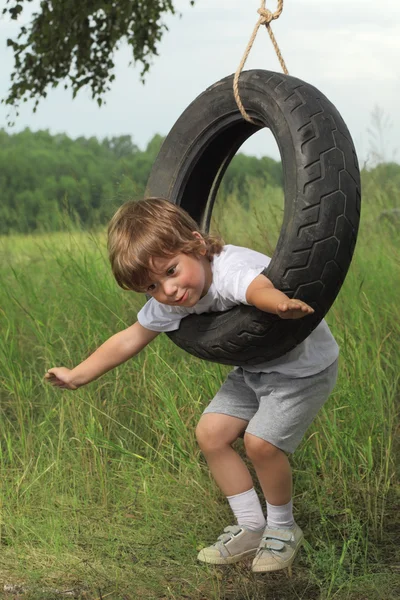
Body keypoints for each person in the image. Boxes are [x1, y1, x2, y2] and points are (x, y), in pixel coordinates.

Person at [45, 197, 338, 573]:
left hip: (300, 369)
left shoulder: (231, 268)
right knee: (210, 433)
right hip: (253, 370)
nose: (167, 290)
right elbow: (129, 338)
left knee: (260, 444)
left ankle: (283, 529)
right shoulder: (171, 298)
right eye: (151, 286)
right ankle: (251, 526)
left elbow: (256, 289)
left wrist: (279, 304)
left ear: (197, 245)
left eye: (170, 271)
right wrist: (77, 374)